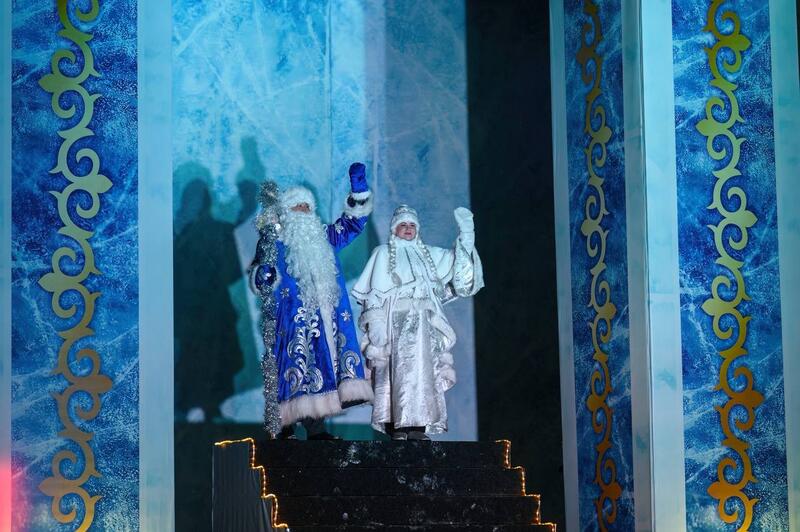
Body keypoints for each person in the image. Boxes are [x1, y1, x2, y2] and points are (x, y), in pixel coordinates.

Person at [251, 163, 374, 439]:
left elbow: (353, 224)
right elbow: (260, 279)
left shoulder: (326, 237)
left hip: (324, 319)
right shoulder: (275, 244)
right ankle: (284, 427)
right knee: (291, 367)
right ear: (286, 213)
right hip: (290, 321)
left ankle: (316, 429)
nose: (304, 212)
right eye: (297, 207)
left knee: (319, 370)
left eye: (307, 207)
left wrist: (359, 189)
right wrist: (265, 273)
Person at [352, 204, 484, 440]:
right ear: (394, 229)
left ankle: (418, 427)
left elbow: (458, 267)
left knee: (423, 375)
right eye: (403, 224)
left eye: (412, 225)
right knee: (397, 376)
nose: (408, 228)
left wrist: (466, 235)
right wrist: (377, 327)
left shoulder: (428, 255)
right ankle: (398, 427)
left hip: (424, 326)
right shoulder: (383, 253)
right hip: (396, 324)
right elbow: (373, 296)